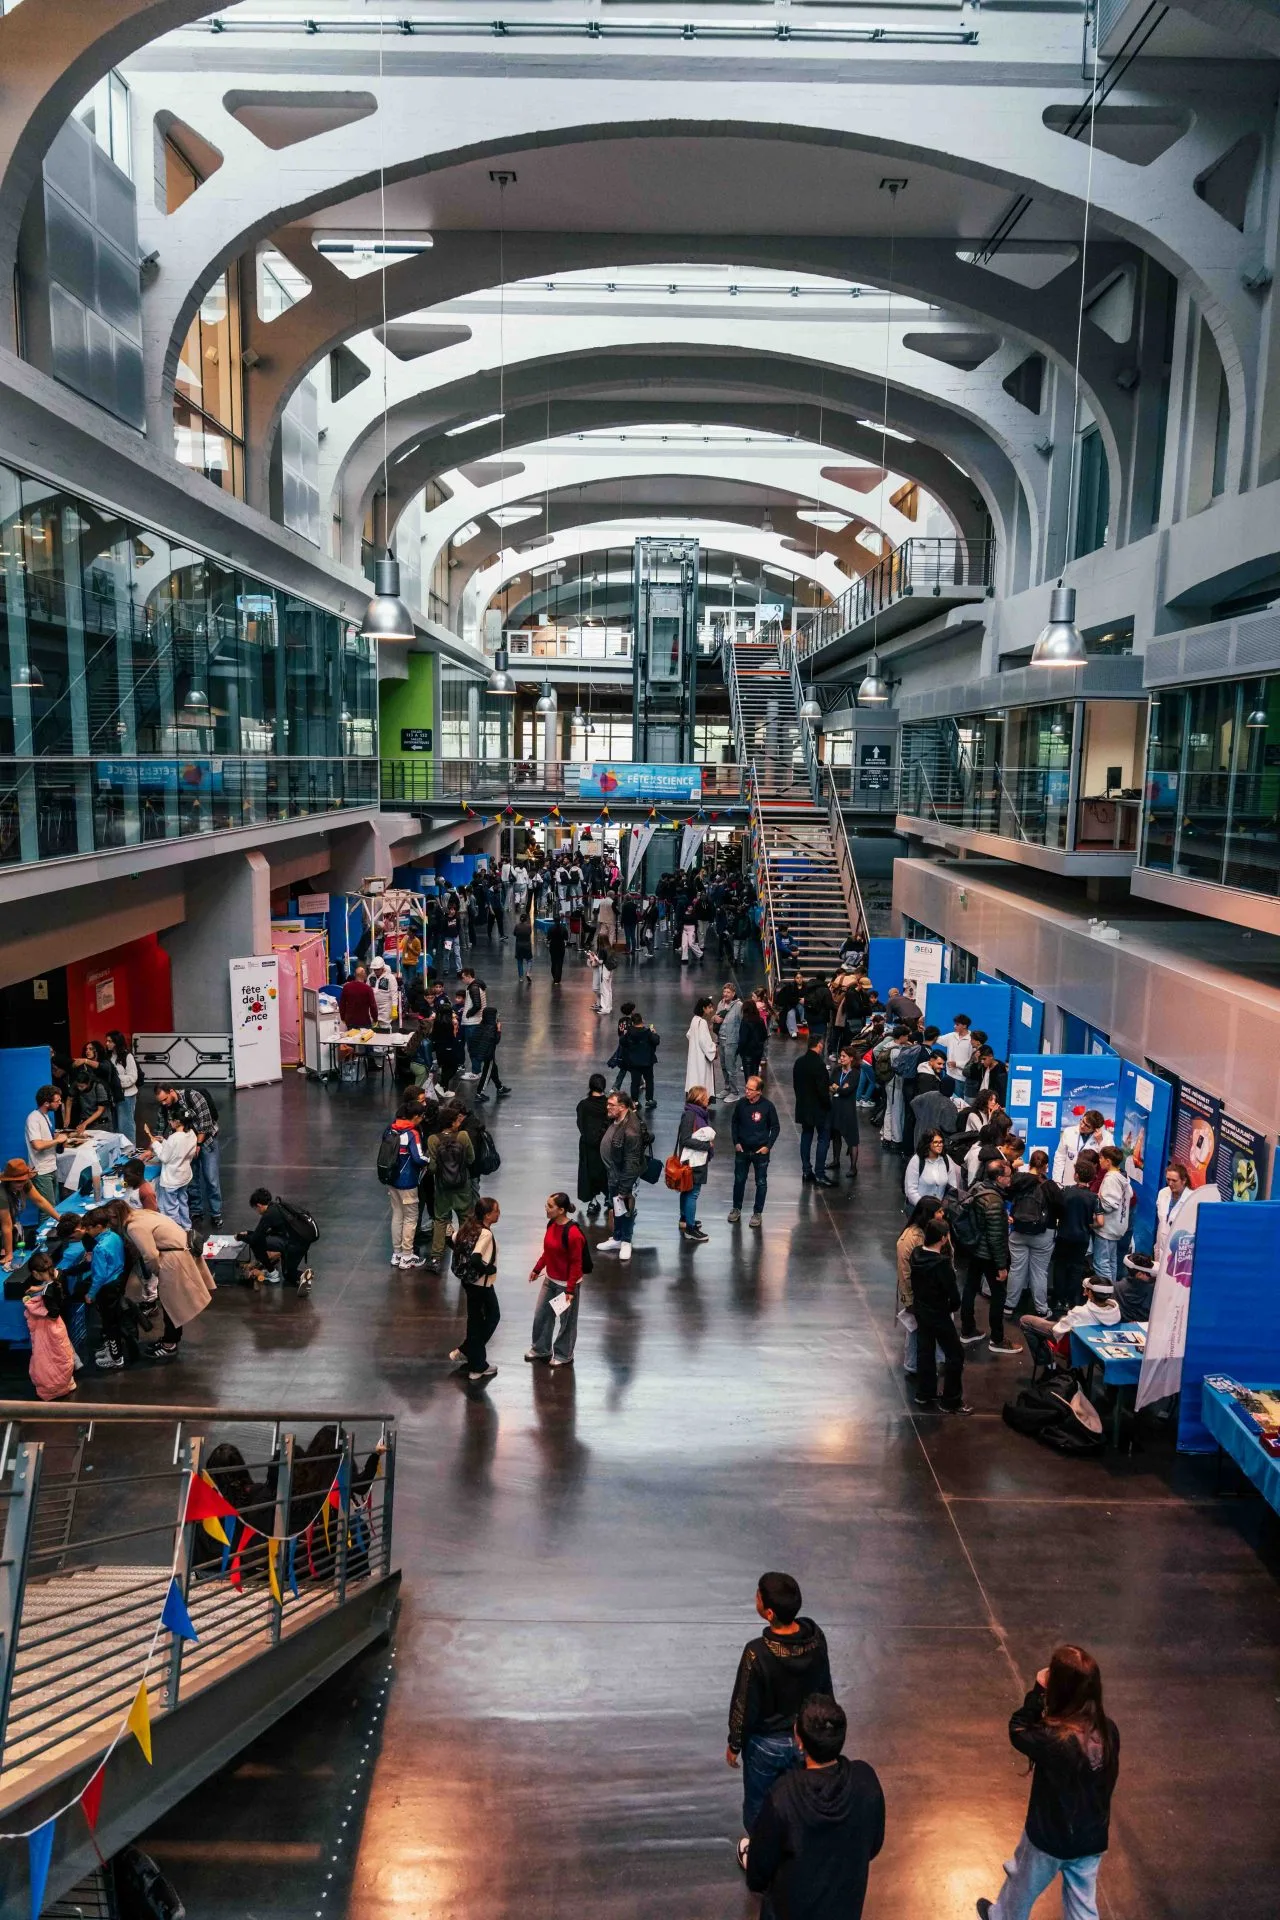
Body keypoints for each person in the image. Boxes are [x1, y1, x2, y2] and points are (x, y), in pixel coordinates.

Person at [976, 1646, 1119, 1920]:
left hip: (1048, 1839)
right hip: (1092, 1838)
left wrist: (1038, 1691)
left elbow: (1018, 1729)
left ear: (1059, 1690)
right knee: (1082, 1904)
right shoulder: (1108, 1730)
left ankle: (1001, 1917)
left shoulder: (1053, 1738)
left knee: (1021, 1884)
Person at [745, 1694, 885, 1920]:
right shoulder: (865, 1780)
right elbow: (874, 1845)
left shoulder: (783, 1796)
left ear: (799, 1741)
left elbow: (758, 1873)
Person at [727, 1571, 833, 1867]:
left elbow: (743, 1704)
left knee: (760, 1800)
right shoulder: (816, 1639)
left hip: (766, 1744)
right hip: (805, 1739)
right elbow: (825, 1686)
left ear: (769, 1613)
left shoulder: (756, 1653)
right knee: (801, 1794)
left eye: (758, 1595)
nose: (756, 1597)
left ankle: (759, 1853)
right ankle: (796, 1844)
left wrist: (734, 1743)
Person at [127, 1203, 216, 1359]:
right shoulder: (145, 1214)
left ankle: (169, 1343)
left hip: (173, 1261)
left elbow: (150, 1255)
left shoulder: (134, 1227)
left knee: (171, 1304)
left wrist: (156, 1271)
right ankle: (170, 1340)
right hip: (181, 1252)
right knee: (173, 1303)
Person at [909, 1216, 971, 1414]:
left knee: (925, 1351)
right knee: (955, 1355)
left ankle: (924, 1393)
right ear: (943, 1238)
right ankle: (951, 1400)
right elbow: (954, 1295)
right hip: (939, 1314)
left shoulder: (915, 1255)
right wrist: (951, 1307)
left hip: (921, 1311)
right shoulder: (942, 1264)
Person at [960, 1157, 1019, 1354]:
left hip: (975, 1249)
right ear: (999, 1178)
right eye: (1008, 1176)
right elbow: (995, 1238)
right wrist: (1001, 1266)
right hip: (989, 1255)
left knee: (970, 1288)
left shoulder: (978, 1188)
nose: (1010, 1179)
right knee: (999, 1295)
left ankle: (967, 1330)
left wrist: (1001, 1218)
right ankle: (997, 1339)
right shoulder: (994, 1200)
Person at [526, 1191, 589, 1367]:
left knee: (566, 1322)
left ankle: (563, 1355)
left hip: (565, 1286)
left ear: (561, 1210)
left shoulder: (574, 1234)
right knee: (542, 1315)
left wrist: (570, 1290)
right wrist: (537, 1268)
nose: (546, 1208)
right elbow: (548, 1251)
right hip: (550, 1281)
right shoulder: (551, 1224)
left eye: (550, 1206)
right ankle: (540, 1349)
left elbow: (576, 1264)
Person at [449, 1196, 501, 1382]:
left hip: (468, 1282)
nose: (499, 1214)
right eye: (496, 1211)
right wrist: (488, 1269)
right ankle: (477, 1365)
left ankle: (467, 1351)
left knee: (475, 1320)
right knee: (491, 1317)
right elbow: (476, 1258)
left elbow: (452, 1239)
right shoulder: (485, 1234)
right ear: (487, 1215)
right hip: (482, 1285)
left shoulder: (469, 1227)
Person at [156, 1084, 222, 1229]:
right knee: (191, 1179)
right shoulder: (164, 1107)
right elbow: (160, 1129)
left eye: (165, 1099)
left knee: (211, 1178)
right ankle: (196, 1211)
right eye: (161, 1101)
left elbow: (206, 1124)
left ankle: (216, 1213)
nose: (164, 1103)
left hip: (206, 1141)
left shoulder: (193, 1097)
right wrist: (154, 1144)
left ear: (171, 1091)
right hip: (185, 1144)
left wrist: (197, 1144)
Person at [1006, 1148, 1062, 1319]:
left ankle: (1009, 1306)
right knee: (1039, 1272)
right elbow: (1061, 1208)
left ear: (1029, 1163)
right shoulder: (1049, 1186)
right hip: (1043, 1234)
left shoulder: (1017, 1180)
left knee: (1016, 1269)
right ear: (1046, 1166)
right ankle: (1041, 1309)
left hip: (1018, 1231)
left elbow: (1006, 1195)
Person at [896, 1194, 946, 1375]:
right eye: (939, 1211)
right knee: (916, 1329)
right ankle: (913, 1364)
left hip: (934, 1293)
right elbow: (904, 1272)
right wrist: (909, 1300)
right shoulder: (910, 1238)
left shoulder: (935, 1230)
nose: (943, 1214)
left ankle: (935, 1360)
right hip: (920, 1295)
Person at [598, 1089, 646, 1264]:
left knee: (626, 1208)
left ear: (622, 1107)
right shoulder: (617, 1119)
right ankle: (618, 1237)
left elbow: (631, 1161)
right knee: (617, 1206)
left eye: (611, 1105)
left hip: (624, 1177)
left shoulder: (631, 1129)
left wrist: (625, 1188)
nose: (608, 1107)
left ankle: (626, 1241)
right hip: (614, 1174)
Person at [425, 1107, 476, 1271]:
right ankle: (465, 1256)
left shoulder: (433, 1139)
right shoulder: (463, 1136)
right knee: (465, 1220)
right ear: (452, 1122)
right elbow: (471, 1159)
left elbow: (432, 1167)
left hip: (442, 1188)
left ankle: (435, 1259)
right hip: (462, 1186)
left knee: (440, 1220)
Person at [23, 1255, 76, 1401]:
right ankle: (68, 1381)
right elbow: (53, 1285)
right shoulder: (59, 1274)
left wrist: (34, 1308)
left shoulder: (48, 1294)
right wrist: (41, 1288)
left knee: (49, 1359)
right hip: (62, 1324)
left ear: (35, 1273)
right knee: (63, 1354)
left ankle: (54, 1388)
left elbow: (53, 1314)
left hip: (53, 1327)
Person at [240, 1189, 315, 1292]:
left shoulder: (268, 1215)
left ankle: (272, 1273)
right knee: (288, 1274)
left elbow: (255, 1239)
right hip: (303, 1242)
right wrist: (249, 1233)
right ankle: (303, 1276)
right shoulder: (277, 1207)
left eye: (256, 1209)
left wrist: (239, 1237)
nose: (257, 1212)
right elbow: (264, 1233)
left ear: (259, 1205)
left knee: (257, 1243)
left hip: (293, 1245)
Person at [383, 1103, 428, 1270]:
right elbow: (418, 1158)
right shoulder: (412, 1134)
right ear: (415, 1117)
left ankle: (397, 1254)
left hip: (392, 1179)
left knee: (397, 1215)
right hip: (408, 1182)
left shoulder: (390, 1129)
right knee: (410, 1218)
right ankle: (407, 1256)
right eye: (421, 1116)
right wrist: (429, 1159)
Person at [730, 1075, 779, 1227]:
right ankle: (736, 1208)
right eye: (746, 1088)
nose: (747, 1091)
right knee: (739, 1180)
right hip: (743, 1150)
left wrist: (768, 1146)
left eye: (751, 1089)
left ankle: (757, 1212)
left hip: (760, 1152)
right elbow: (734, 1123)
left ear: (759, 1091)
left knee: (761, 1182)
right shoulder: (741, 1104)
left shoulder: (768, 1106)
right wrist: (736, 1142)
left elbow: (775, 1127)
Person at [793, 1037, 834, 1186]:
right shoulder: (819, 1065)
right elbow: (823, 1090)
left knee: (806, 1136)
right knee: (823, 1138)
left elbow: (796, 1085)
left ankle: (806, 1171)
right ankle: (820, 1174)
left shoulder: (799, 1062)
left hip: (803, 1107)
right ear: (819, 1045)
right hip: (819, 1109)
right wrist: (828, 1105)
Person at [145, 1111, 196, 1230]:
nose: (169, 1122)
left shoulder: (174, 1138)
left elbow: (164, 1157)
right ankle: (187, 1227)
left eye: (171, 1120)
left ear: (177, 1122)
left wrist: (155, 1143)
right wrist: (164, 1141)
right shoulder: (191, 1134)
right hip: (184, 1175)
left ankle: (175, 1230)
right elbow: (178, 1150)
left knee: (171, 1207)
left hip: (172, 1178)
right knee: (183, 1202)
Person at [24, 1088, 72, 1207]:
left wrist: (62, 1137)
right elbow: (37, 1145)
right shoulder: (33, 1118)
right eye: (57, 1101)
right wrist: (57, 1140)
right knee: (47, 1210)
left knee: (54, 1207)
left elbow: (47, 1137)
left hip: (51, 1166)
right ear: (46, 1103)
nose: (60, 1103)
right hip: (42, 1171)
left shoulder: (46, 1116)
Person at [1091, 1146, 1131, 1282]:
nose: (1099, 1161)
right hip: (1116, 1227)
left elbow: (1109, 1205)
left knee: (1101, 1264)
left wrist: (1096, 1203)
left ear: (1108, 1161)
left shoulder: (1111, 1179)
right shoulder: (1123, 1176)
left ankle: (1105, 1292)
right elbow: (1129, 1195)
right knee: (1111, 1262)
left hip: (1107, 1229)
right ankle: (1112, 1290)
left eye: (1101, 1158)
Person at [576, 1073, 611, 1219]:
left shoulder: (583, 1105)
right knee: (608, 1172)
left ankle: (593, 1201)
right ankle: (610, 1197)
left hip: (588, 1145)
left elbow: (580, 1124)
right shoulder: (609, 1105)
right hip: (607, 1145)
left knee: (589, 1172)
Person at [1052, 1109, 1113, 1188]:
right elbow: (1060, 1157)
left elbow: (1108, 1160)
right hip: (1068, 1181)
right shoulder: (1068, 1132)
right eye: (1082, 1121)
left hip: (1090, 1184)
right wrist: (1057, 1181)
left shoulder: (1107, 1137)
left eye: (1087, 1126)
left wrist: (1100, 1141)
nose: (1082, 1126)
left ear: (1096, 1129)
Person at [903, 1129, 960, 1208]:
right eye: (935, 1142)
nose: (939, 1145)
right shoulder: (916, 1161)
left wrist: (944, 1207)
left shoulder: (946, 1160)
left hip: (940, 1211)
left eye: (941, 1142)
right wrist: (925, 1208)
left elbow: (953, 1187)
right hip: (919, 1210)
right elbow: (910, 1191)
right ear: (927, 1144)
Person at [828, 1048, 861, 1181]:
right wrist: (840, 1088)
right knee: (836, 1134)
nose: (841, 1058)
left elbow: (847, 1091)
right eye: (841, 1056)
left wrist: (837, 1088)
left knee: (852, 1139)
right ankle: (836, 1160)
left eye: (844, 1056)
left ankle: (853, 1167)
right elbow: (830, 1084)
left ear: (851, 1058)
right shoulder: (837, 1070)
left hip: (848, 1110)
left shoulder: (855, 1073)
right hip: (835, 1107)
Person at [618, 1011, 660, 1109]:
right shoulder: (648, 1032)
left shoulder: (629, 1033)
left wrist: (624, 1034)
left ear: (632, 1022)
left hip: (634, 1062)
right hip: (647, 1062)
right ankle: (649, 1100)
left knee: (635, 1082)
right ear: (642, 1021)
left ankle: (635, 1101)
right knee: (649, 1081)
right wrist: (655, 1033)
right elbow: (656, 1041)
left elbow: (622, 1042)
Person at [105, 1032, 140, 1142]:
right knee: (115, 1126)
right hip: (113, 1096)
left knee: (126, 1126)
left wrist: (116, 1080)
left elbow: (133, 1077)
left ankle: (129, 1150)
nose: (107, 1043)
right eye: (107, 1041)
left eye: (110, 1041)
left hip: (126, 1096)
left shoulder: (127, 1056)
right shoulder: (109, 1056)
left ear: (117, 1042)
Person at [684, 998, 718, 1102]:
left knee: (694, 1078)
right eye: (709, 1007)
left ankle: (693, 1097)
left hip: (694, 1055)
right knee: (702, 1077)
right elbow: (704, 1042)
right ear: (703, 1008)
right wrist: (713, 1048)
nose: (711, 1010)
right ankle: (701, 1099)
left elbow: (689, 1034)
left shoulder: (694, 1020)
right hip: (701, 1057)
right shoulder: (702, 1022)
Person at [716, 985, 745, 1101]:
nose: (725, 994)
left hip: (732, 1041)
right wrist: (715, 1019)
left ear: (733, 993)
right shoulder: (720, 1003)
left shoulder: (739, 1006)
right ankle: (727, 1088)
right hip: (721, 1039)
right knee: (723, 1066)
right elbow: (717, 1018)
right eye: (724, 991)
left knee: (730, 1067)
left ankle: (734, 1092)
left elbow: (743, 1023)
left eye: (728, 992)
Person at [1115, 1249, 1156, 1321]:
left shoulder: (1116, 1288)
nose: (1151, 1276)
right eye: (1149, 1274)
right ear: (1139, 1274)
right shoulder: (1153, 1290)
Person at [459, 968, 487, 1071]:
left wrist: (468, 1014)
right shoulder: (478, 986)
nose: (462, 980)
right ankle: (476, 1070)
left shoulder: (473, 988)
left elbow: (477, 1005)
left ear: (468, 976)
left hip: (473, 1022)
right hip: (477, 1021)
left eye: (463, 978)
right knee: (475, 1047)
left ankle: (476, 1071)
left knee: (473, 1048)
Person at [338, 964, 379, 1031]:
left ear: (355, 975)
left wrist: (342, 1017)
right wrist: (375, 1019)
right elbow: (373, 1006)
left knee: (352, 1037)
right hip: (364, 1021)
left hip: (350, 1021)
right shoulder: (368, 989)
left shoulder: (346, 987)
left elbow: (342, 1004)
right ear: (364, 975)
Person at [738, 994, 769, 1084]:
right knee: (755, 1074)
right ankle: (756, 1090)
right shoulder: (760, 1020)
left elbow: (743, 1039)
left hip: (747, 1052)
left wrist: (740, 1050)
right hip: (758, 1052)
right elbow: (765, 1035)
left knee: (748, 1077)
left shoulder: (745, 1021)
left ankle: (750, 1091)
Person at [938, 1013, 974, 1080]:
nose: (954, 1026)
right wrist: (923, 1032)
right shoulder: (951, 1036)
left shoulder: (972, 1039)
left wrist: (957, 1064)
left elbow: (973, 1061)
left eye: (957, 1025)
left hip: (962, 1078)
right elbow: (936, 1039)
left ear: (964, 1026)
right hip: (949, 1074)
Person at [587, 936, 615, 1016]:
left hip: (604, 970)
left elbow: (600, 961)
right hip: (610, 969)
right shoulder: (609, 948)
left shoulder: (602, 949)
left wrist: (594, 956)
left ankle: (605, 1008)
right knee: (609, 989)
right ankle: (609, 1006)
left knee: (604, 990)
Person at [546, 914, 569, 986]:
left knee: (553, 961)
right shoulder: (563, 928)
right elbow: (566, 938)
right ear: (560, 920)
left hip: (553, 946)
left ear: (554, 920)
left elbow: (548, 938)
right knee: (560, 962)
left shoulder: (551, 928)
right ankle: (558, 978)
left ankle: (554, 975)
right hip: (561, 946)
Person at [514, 907, 534, 984]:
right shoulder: (529, 926)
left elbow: (514, 934)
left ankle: (521, 977)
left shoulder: (517, 926)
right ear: (526, 919)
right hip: (527, 946)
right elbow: (529, 933)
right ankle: (528, 973)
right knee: (529, 960)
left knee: (519, 961)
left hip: (519, 946)